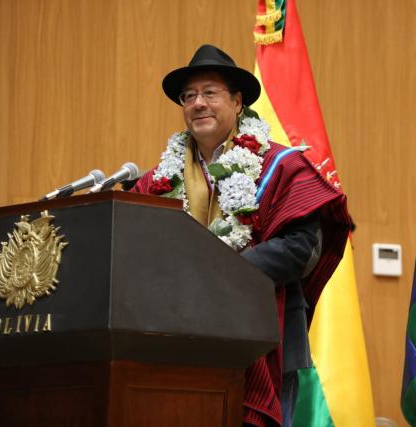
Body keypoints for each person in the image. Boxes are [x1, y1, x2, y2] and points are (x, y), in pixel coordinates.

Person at [130, 44, 352, 427]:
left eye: (210, 92)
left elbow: (301, 248)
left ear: (237, 102)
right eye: (189, 96)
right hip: (176, 341)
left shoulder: (281, 165)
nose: (198, 103)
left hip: (264, 336)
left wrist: (220, 273)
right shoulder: (159, 181)